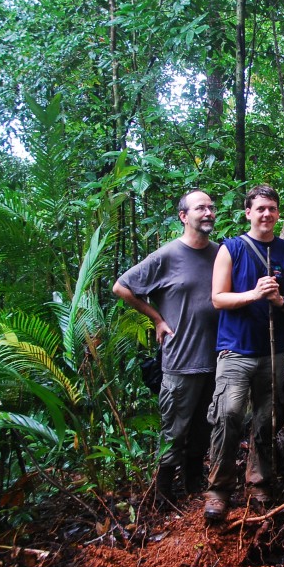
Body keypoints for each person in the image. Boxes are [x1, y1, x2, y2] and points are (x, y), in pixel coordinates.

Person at [112, 189, 219, 507]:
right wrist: (157, 319)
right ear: (184, 216)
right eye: (200, 208)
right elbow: (122, 286)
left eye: (211, 207)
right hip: (180, 360)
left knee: (203, 429)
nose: (208, 212)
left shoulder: (220, 254)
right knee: (175, 429)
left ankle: (193, 484)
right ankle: (162, 495)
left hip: (215, 360)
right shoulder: (167, 256)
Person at [204, 185, 284, 523]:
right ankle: (218, 489)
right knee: (229, 414)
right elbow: (219, 298)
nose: (267, 214)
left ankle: (259, 481)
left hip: (272, 352)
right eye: (260, 208)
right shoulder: (231, 248)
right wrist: (254, 295)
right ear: (248, 212)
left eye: (272, 209)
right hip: (235, 350)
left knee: (265, 418)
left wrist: (278, 301)